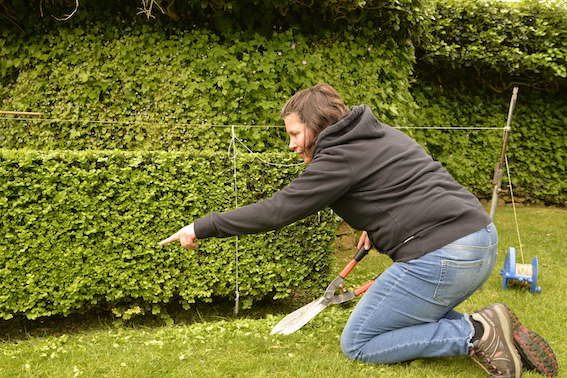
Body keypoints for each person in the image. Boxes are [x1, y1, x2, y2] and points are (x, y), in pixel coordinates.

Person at [159, 84, 557, 377]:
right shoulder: (380, 135)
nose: (293, 146)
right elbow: (409, 187)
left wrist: (202, 226)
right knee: (397, 321)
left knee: (361, 343)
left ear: (317, 126)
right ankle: (494, 325)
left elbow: (278, 211)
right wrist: (380, 226)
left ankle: (476, 331)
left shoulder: (338, 158)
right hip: (479, 240)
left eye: (295, 134)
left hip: (443, 256)